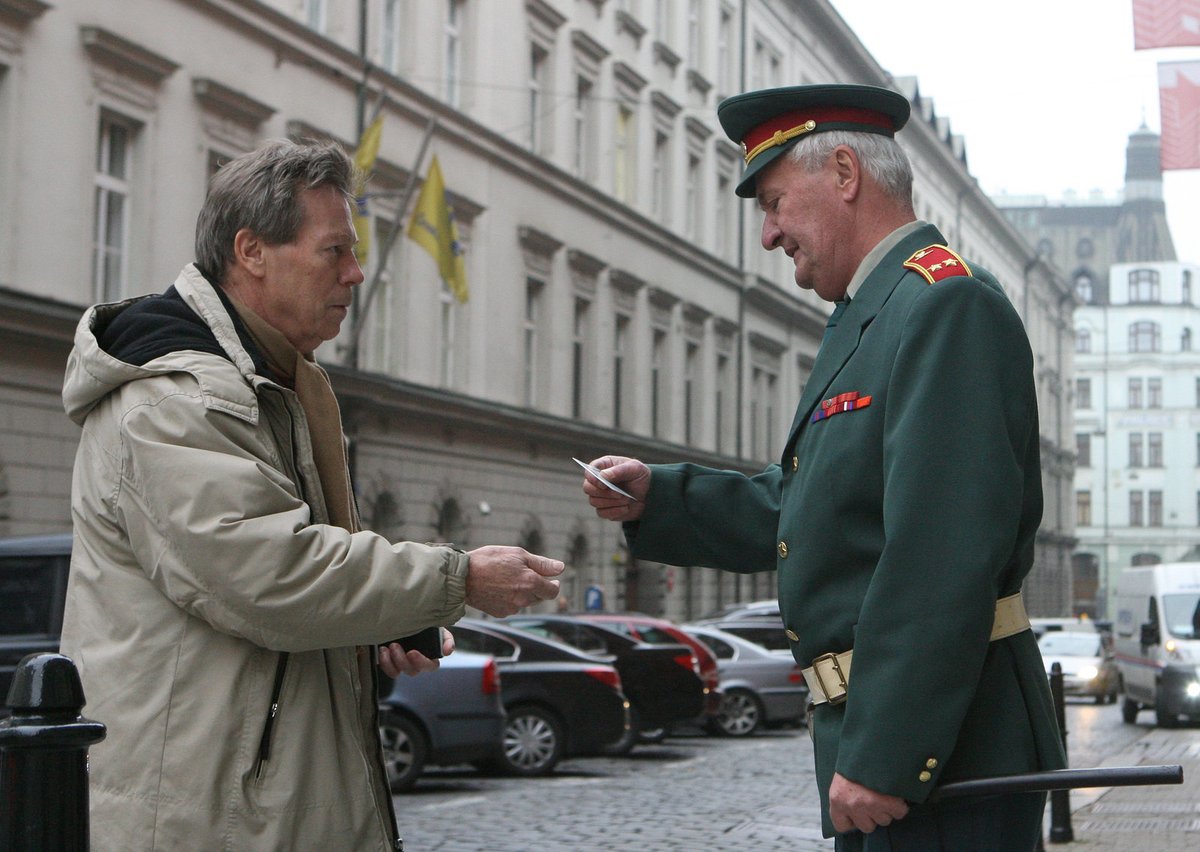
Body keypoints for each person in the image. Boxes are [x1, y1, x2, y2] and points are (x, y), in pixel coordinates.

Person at [581, 84, 1065, 851]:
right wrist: (659, 500)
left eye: (775, 203)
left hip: (948, 749)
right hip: (894, 742)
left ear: (844, 173)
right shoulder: (871, 316)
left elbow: (940, 554)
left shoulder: (944, 305)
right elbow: (810, 509)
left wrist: (886, 751)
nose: (769, 236)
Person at [60, 138, 563, 851]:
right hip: (205, 815)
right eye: (334, 251)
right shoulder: (173, 400)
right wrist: (459, 578)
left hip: (253, 802)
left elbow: (272, 584)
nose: (356, 274)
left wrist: (392, 620)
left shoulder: (268, 381)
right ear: (251, 252)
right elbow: (268, 576)